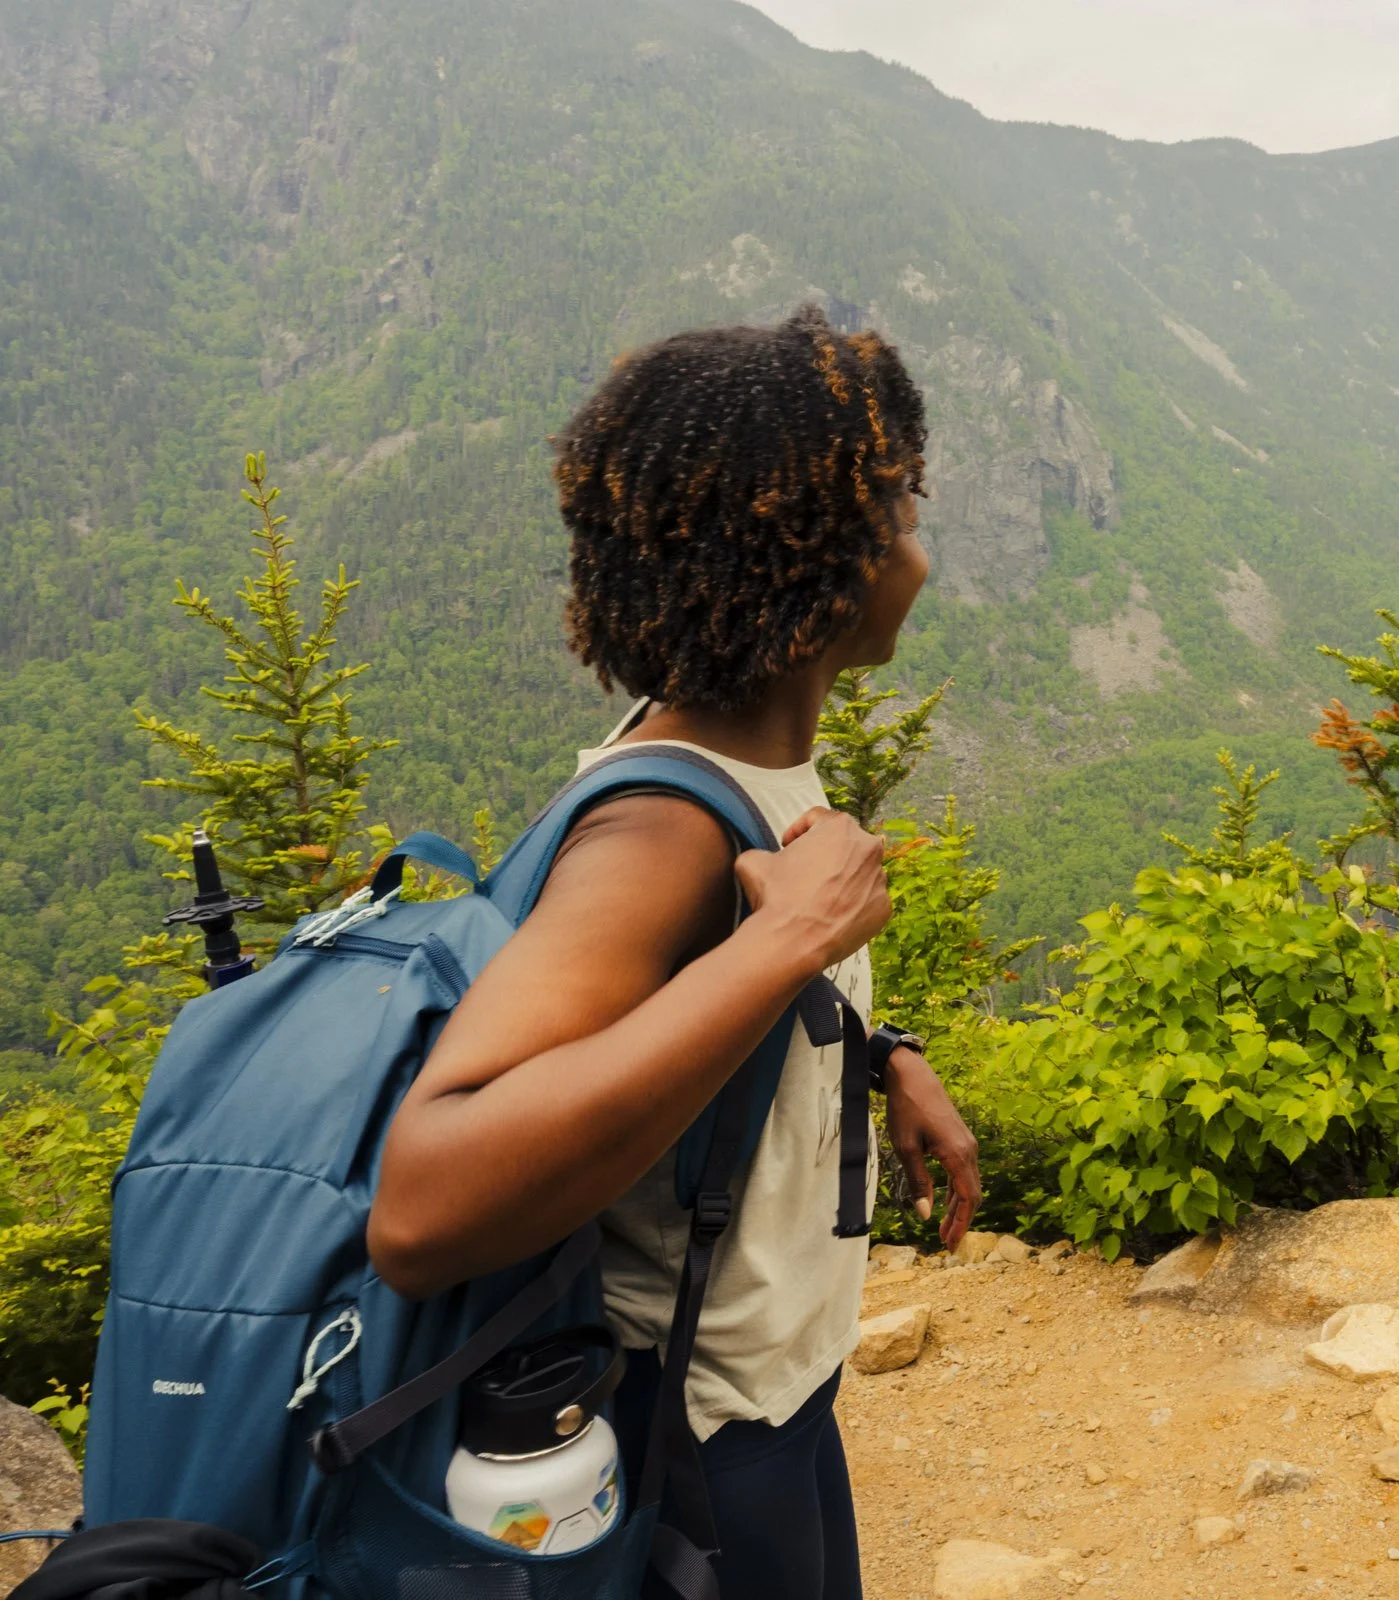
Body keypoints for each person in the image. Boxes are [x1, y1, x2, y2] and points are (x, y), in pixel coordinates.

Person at [367, 305, 979, 1600]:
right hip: (690, 1453)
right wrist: (797, 940)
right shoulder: (659, 834)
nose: (922, 549)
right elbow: (424, 1201)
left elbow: (684, 1016)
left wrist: (879, 1053)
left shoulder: (738, 768)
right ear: (820, 557)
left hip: (769, 1402)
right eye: (904, 508)